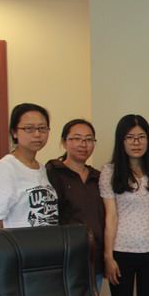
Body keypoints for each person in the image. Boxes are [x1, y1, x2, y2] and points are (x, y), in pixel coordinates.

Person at [99, 115, 149, 296]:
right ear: (121, 141)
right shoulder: (109, 172)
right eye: (130, 137)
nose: (136, 142)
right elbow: (111, 217)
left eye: (141, 137)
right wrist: (108, 257)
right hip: (122, 252)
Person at [46, 119, 105, 287]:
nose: (83, 144)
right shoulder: (52, 174)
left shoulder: (98, 177)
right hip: (66, 259)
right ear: (64, 142)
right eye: (77, 138)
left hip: (95, 258)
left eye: (89, 139)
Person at [0, 103, 58, 229]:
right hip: (19, 241)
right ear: (14, 132)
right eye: (29, 128)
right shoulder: (5, 169)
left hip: (48, 240)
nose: (37, 134)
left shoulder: (42, 168)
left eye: (42, 128)